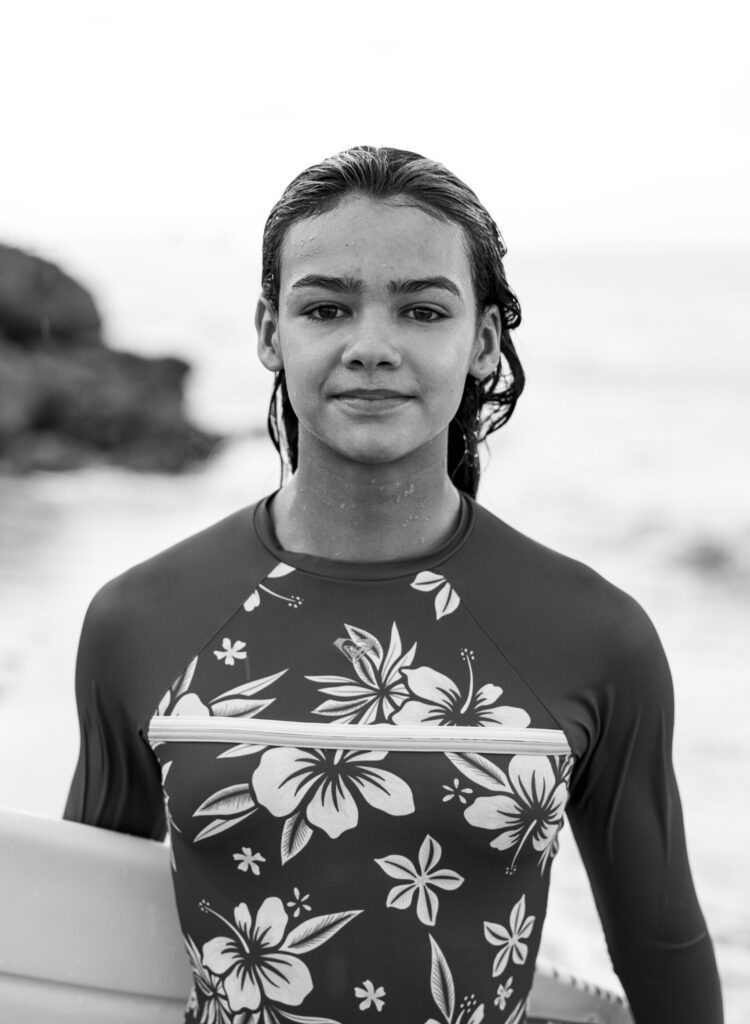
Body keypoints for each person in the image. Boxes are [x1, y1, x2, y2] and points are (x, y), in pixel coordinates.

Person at [64, 146, 723, 1024]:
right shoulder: (141, 622)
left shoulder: (595, 637)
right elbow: (68, 940)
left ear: (483, 341)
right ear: (270, 331)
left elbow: (662, 949)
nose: (371, 347)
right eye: (327, 307)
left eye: (421, 310)